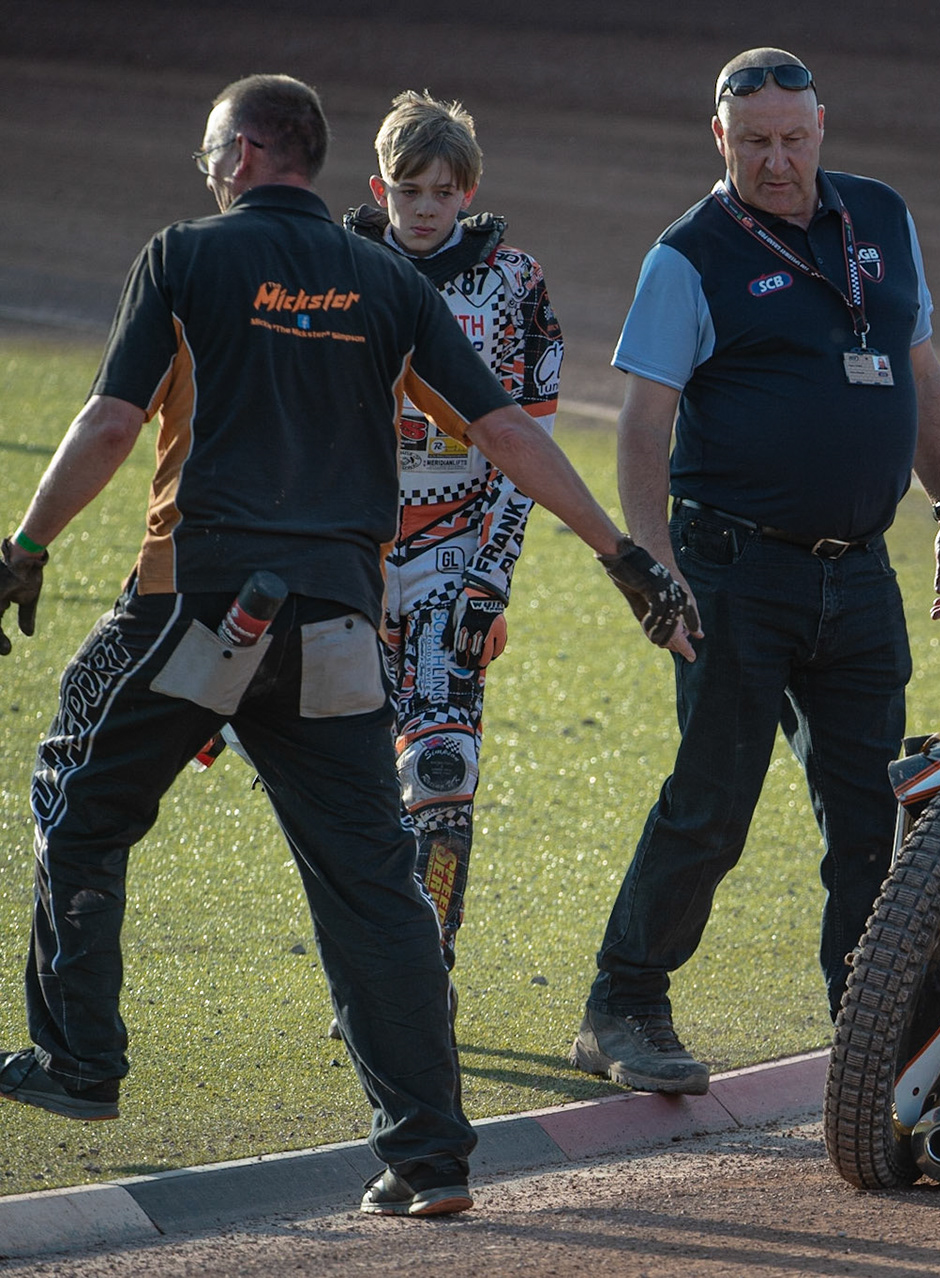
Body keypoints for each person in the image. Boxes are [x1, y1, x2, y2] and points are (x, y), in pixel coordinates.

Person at [0, 74, 690, 1217]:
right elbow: (508, 430)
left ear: (242, 154)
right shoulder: (386, 280)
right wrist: (624, 558)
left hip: (199, 599)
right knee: (375, 883)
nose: (207, 169)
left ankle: (80, 1060)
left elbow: (113, 422)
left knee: (78, 793)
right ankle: (430, 1156)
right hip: (336, 624)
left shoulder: (183, 257)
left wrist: (25, 543)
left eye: (213, 153)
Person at [569, 47, 940, 1095]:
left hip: (861, 575)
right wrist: (653, 568)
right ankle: (623, 1004)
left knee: (873, 817)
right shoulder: (689, 256)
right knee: (712, 806)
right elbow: (642, 428)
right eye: (755, 142)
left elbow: (919, 370)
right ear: (721, 139)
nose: (778, 160)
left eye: (795, 139)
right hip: (731, 572)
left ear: (822, 128)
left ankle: (870, 1020)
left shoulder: (882, 220)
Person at [323, 91, 565, 1030]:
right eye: (408, 191)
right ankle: (364, 977)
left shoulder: (516, 284)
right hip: (343, 560)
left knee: (441, 773)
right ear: (378, 187)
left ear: (469, 192)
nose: (424, 209)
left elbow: (528, 445)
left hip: (452, 557)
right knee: (348, 785)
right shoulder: (332, 271)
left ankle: (423, 982)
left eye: (442, 192)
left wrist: (488, 575)